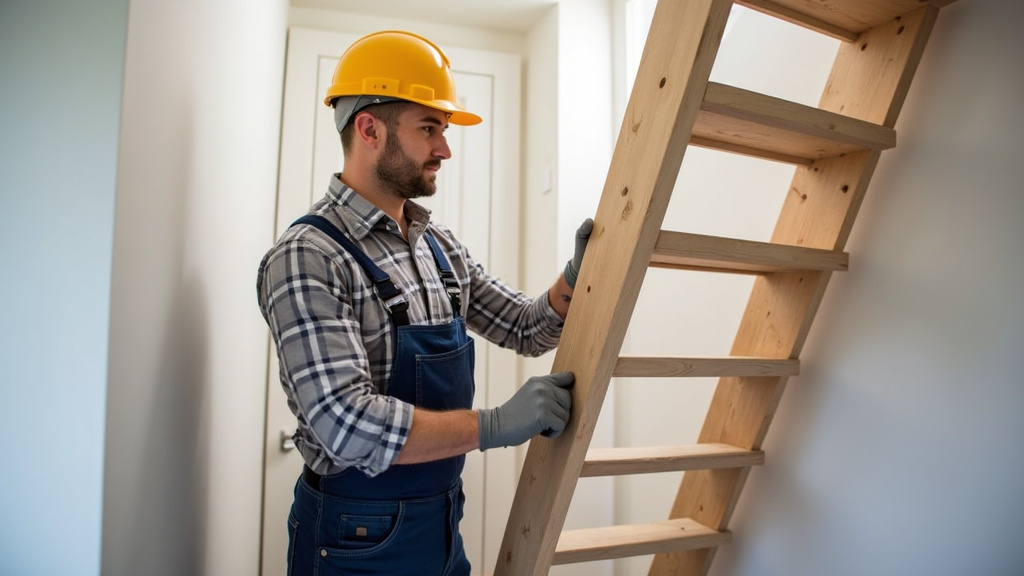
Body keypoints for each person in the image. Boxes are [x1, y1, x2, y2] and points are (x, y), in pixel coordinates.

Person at [257, 30, 593, 576]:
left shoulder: (439, 248)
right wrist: (492, 425)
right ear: (369, 129)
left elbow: (527, 329)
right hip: (354, 538)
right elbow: (346, 424)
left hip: (440, 521)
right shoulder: (307, 256)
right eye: (429, 128)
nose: (445, 148)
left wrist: (575, 279)